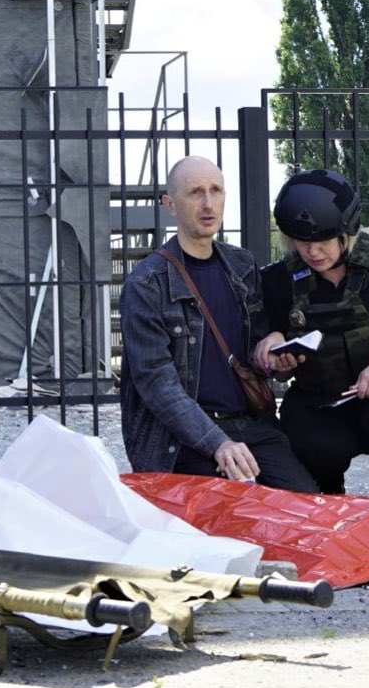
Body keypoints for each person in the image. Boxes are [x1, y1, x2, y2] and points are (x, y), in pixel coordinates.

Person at [118, 156, 318, 492]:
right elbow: (158, 384)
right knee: (236, 516)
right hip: (179, 439)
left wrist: (272, 353)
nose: (208, 204)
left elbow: (254, 345)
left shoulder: (241, 265)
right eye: (195, 193)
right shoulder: (146, 284)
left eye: (216, 191)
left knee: (307, 509)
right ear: (170, 204)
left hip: (250, 426)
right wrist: (217, 443)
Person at [255, 169, 369, 502]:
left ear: (346, 232)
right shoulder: (280, 281)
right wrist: (279, 357)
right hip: (321, 401)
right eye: (302, 241)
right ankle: (331, 497)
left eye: (322, 240)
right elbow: (278, 368)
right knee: (305, 437)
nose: (312, 251)